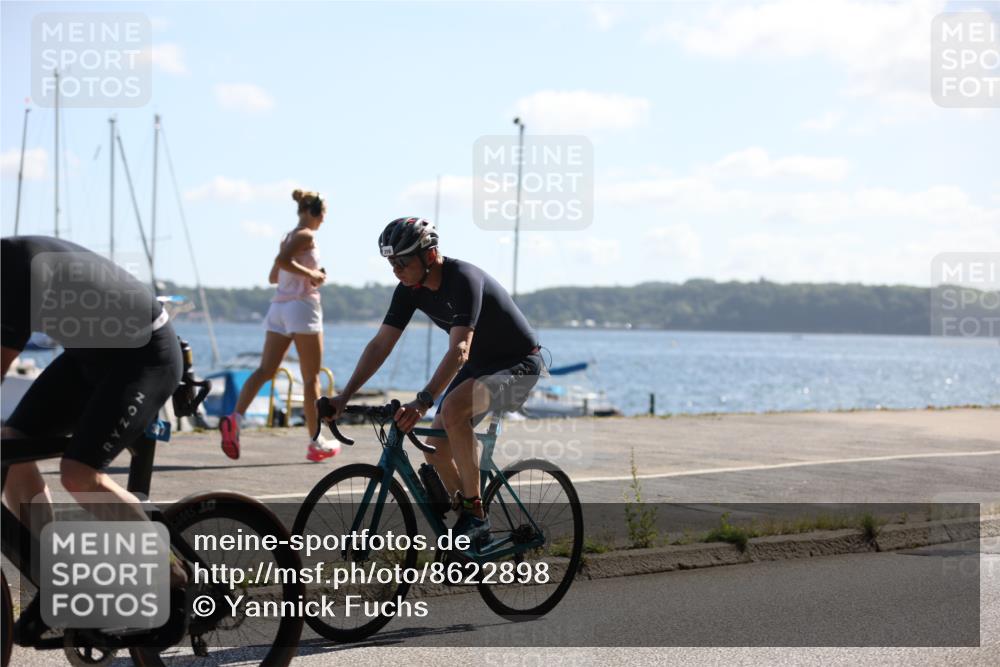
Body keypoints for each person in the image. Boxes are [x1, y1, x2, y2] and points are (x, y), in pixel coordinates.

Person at [324, 217, 543, 546]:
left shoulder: (464, 279)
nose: (396, 270)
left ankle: (477, 516)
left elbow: (459, 349)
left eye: (402, 261)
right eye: (390, 263)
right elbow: (380, 345)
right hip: (481, 367)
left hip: (519, 365)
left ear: (429, 255)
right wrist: (344, 396)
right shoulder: (409, 290)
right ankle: (469, 527)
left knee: (452, 409)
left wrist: (423, 400)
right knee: (435, 448)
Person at [0, 235, 187, 585]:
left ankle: (173, 576)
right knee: (11, 445)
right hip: (89, 357)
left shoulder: (11, 271)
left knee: (78, 473)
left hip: (144, 354)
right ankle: (52, 573)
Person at [219, 189, 339, 463]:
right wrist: (314, 275)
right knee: (311, 379)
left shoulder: (288, 237)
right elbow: (283, 263)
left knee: (265, 370)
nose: (323, 220)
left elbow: (275, 275)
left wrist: (302, 272)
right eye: (323, 215)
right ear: (313, 212)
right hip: (301, 307)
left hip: (279, 308)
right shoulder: (305, 235)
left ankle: (235, 418)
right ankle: (316, 441)